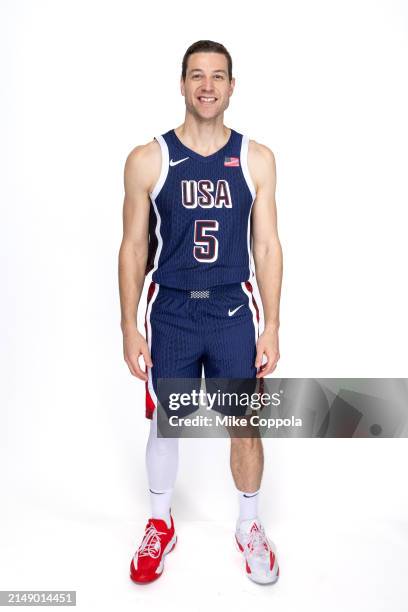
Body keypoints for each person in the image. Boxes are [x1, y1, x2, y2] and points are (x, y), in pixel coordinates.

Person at [118, 39, 283, 585]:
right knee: (168, 425)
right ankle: (160, 523)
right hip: (172, 312)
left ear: (232, 87)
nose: (207, 85)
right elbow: (134, 246)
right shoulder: (149, 158)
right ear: (182, 84)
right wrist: (127, 325)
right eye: (197, 75)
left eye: (217, 76)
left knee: (245, 425)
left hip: (234, 309)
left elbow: (266, 247)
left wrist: (274, 324)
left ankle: (249, 525)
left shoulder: (256, 156)